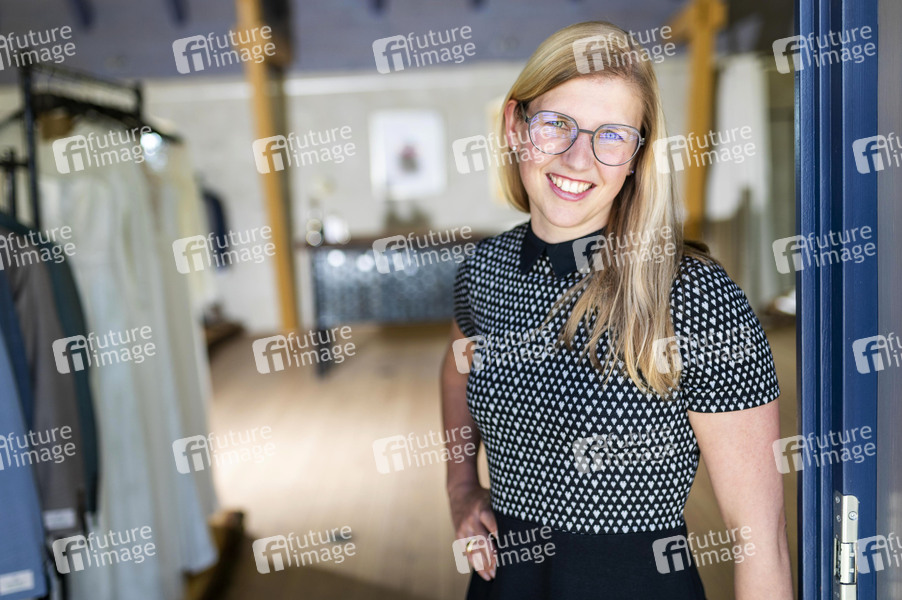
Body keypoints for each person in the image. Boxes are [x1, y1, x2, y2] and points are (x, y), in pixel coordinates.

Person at [440, 21, 793, 600]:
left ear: (636, 156)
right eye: (557, 125)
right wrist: (460, 486)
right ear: (515, 127)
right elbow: (456, 368)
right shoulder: (484, 270)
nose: (579, 159)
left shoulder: (695, 296)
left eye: (612, 136)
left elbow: (760, 539)